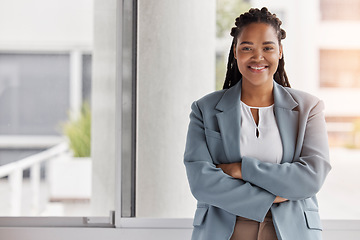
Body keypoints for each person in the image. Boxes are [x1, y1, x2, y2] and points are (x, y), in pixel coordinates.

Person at [183, 7, 331, 240]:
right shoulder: (205, 109)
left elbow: (310, 177)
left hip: (291, 230)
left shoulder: (308, 108)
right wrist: (273, 196)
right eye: (247, 48)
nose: (258, 57)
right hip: (224, 228)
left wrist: (241, 169)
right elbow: (202, 182)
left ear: (280, 52)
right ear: (235, 52)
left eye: (267, 48)